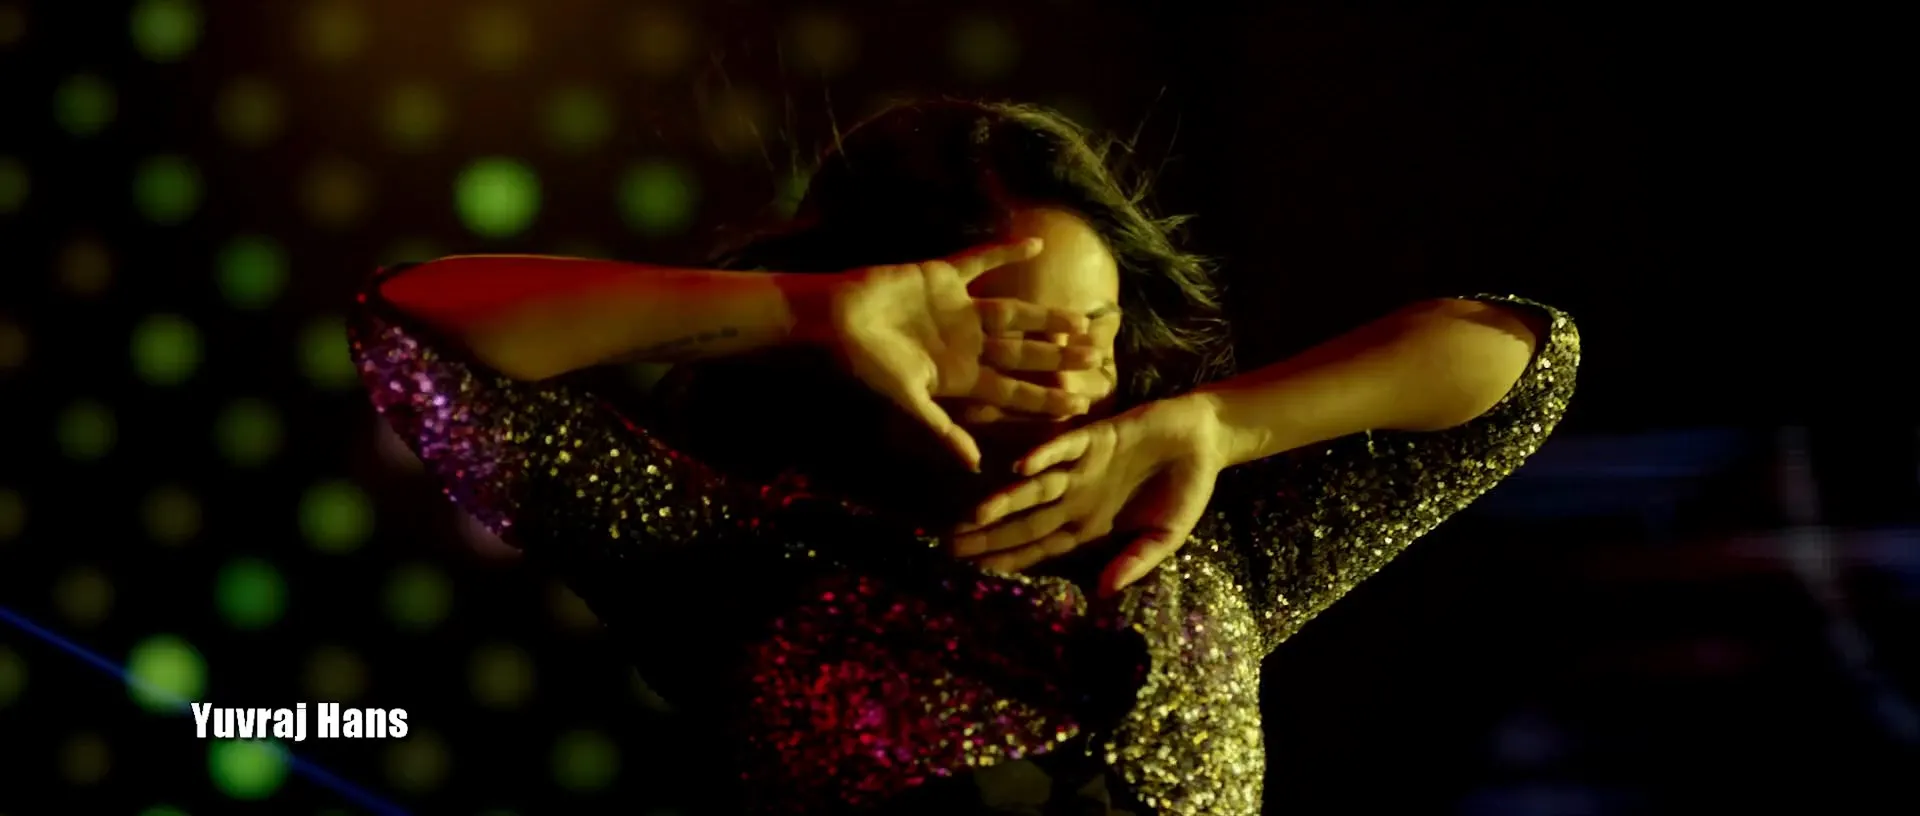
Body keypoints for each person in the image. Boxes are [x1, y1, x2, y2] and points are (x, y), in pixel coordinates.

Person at [348, 99, 1580, 815]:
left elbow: (1525, 365)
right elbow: (410, 329)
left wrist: (1224, 425)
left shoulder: (1198, 552)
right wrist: (799, 310)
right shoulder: (738, 561)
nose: (1073, 373)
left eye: (1097, 330)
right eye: (1013, 334)